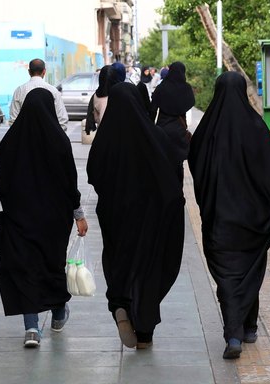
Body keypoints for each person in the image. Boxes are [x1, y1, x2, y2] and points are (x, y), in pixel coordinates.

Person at [87, 82, 185, 350]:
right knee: (148, 269)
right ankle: (144, 333)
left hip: (114, 217)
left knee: (119, 263)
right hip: (150, 218)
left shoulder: (105, 139)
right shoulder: (155, 136)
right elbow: (173, 177)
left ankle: (120, 305)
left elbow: (92, 174)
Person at [188, 71, 270, 360]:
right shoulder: (257, 129)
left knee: (228, 276)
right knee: (250, 270)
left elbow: (196, 169)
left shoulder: (207, 131)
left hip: (220, 220)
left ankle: (234, 334)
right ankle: (247, 327)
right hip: (253, 221)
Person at [0, 88, 88, 348]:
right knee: (52, 265)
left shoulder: (12, 141)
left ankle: (32, 328)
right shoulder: (58, 140)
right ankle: (58, 314)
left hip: (20, 219)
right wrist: (78, 214)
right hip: (54, 222)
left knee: (25, 268)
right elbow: (70, 181)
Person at [149, 61, 195, 182]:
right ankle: (178, 193)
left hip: (162, 130)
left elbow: (152, 110)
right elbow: (190, 103)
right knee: (178, 164)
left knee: (163, 164)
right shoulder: (186, 89)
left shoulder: (161, 88)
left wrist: (150, 128)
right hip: (179, 132)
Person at [9, 58, 69, 130]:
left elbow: (14, 119)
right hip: (49, 138)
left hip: (25, 138)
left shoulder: (19, 90)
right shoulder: (53, 91)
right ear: (44, 71)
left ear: (29, 72)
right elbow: (62, 119)